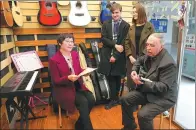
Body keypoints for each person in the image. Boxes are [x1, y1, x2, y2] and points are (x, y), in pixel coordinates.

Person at [120, 33, 178, 130]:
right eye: (147, 44)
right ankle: (129, 125)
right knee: (125, 99)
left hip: (164, 97)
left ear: (161, 46)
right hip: (149, 90)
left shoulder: (169, 64)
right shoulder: (150, 54)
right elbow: (139, 61)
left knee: (143, 115)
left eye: (152, 45)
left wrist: (142, 83)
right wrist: (134, 70)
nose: (148, 48)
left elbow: (163, 87)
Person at [49, 33, 95, 130]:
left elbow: (78, 70)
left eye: (72, 41)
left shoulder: (74, 54)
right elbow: (55, 81)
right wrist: (68, 78)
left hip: (78, 85)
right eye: (67, 41)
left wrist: (85, 72)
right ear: (60, 43)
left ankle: (79, 124)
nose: (70, 44)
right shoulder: (54, 60)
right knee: (83, 102)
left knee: (91, 99)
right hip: (65, 89)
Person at [98, 3, 130, 109]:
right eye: (113, 13)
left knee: (117, 77)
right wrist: (114, 45)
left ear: (120, 12)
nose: (114, 15)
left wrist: (115, 56)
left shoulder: (126, 25)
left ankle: (115, 99)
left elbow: (124, 42)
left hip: (119, 56)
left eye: (116, 12)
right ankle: (113, 99)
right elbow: (104, 38)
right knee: (110, 77)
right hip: (107, 54)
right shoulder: (106, 24)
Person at [125, 3, 154, 92]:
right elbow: (126, 42)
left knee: (143, 83)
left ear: (140, 13)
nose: (133, 14)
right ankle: (133, 103)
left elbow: (152, 43)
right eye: (132, 12)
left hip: (145, 59)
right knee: (132, 84)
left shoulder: (149, 27)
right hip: (132, 59)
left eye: (135, 12)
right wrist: (129, 56)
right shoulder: (131, 28)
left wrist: (141, 58)